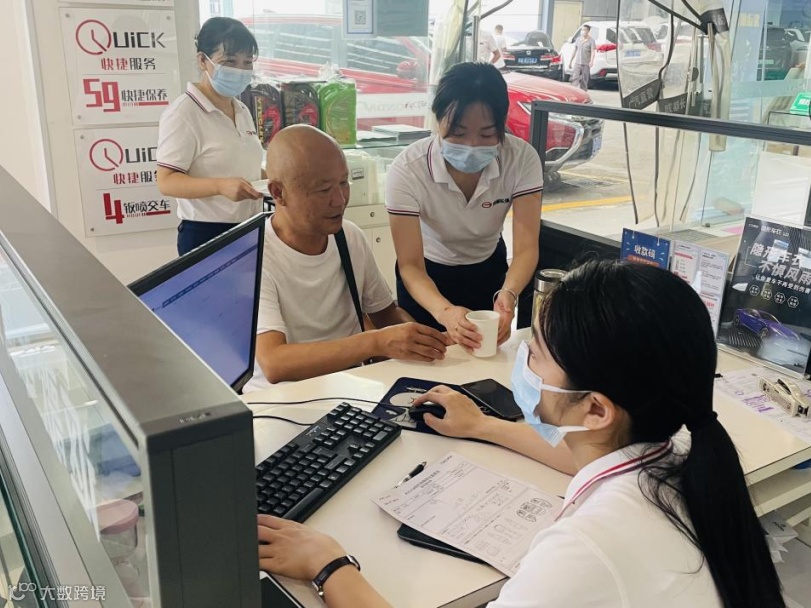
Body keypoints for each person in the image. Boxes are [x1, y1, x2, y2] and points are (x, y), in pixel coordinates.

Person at [256, 260, 786, 608]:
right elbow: (581, 458)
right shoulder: (680, 453)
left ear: (596, 409)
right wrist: (482, 425)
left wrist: (328, 565)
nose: (523, 363)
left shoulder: (586, 547)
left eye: (536, 354)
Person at [244, 125, 451, 390]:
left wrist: (428, 341)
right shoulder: (254, 256)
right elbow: (275, 363)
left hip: (348, 387)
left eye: (344, 182)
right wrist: (376, 342)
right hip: (280, 399)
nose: (340, 199)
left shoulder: (348, 236)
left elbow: (386, 314)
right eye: (323, 190)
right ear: (278, 193)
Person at [385, 62, 542, 351]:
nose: (471, 146)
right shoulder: (407, 170)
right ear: (437, 120)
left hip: (488, 270)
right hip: (427, 277)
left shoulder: (521, 159)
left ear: (502, 123)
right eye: (458, 133)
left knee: (482, 355)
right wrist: (444, 312)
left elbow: (527, 248)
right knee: (427, 358)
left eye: (486, 135)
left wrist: (509, 293)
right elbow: (410, 265)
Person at [157, 17, 264, 256]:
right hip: (206, 234)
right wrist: (220, 186)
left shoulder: (241, 109)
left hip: (250, 227)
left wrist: (274, 180)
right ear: (203, 60)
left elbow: (242, 164)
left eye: (247, 62)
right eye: (229, 61)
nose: (240, 70)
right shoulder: (183, 113)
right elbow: (166, 181)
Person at [568, 24, 596, 91]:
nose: (583, 31)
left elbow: (593, 51)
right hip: (577, 63)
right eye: (582, 30)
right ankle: (573, 92)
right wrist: (570, 61)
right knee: (575, 79)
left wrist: (591, 61)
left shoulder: (591, 40)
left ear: (588, 31)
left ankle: (583, 92)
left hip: (586, 64)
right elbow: (575, 50)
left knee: (584, 80)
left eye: (585, 30)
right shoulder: (578, 39)